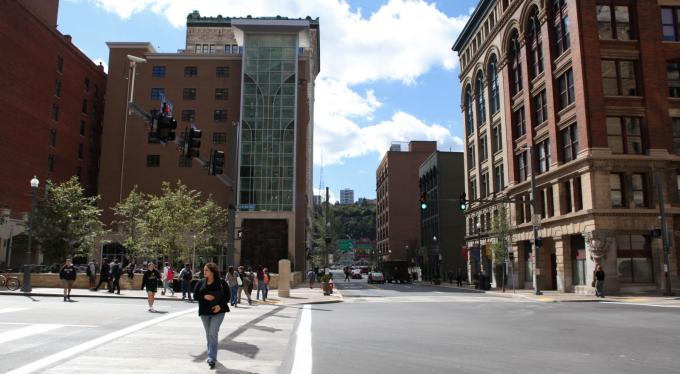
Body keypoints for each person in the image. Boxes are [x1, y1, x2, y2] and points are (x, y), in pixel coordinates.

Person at [193, 262, 230, 369]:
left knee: (213, 333)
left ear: (212, 272)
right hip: (204, 313)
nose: (204, 272)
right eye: (204, 270)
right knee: (209, 334)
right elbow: (195, 295)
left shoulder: (221, 282)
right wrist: (204, 297)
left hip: (218, 312)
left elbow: (227, 296)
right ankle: (212, 354)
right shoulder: (201, 282)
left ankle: (211, 358)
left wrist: (220, 305)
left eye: (206, 270)